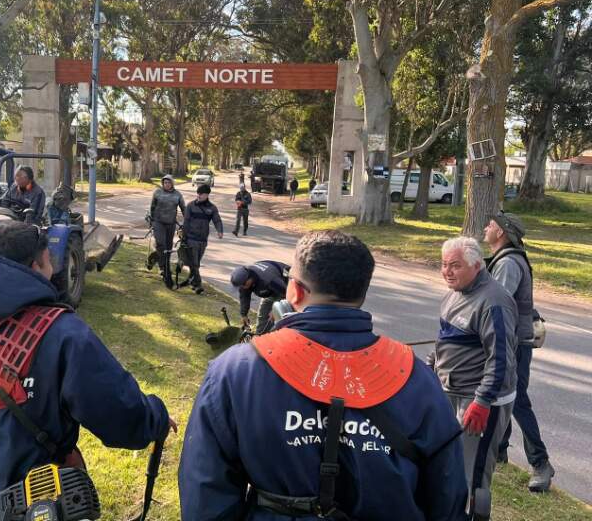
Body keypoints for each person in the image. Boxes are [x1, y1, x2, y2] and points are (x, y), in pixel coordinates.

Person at [180, 230, 468, 520]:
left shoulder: (235, 371)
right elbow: (448, 494)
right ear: (362, 293)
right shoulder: (417, 378)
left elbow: (205, 492)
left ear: (294, 291)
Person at [0, 221, 175, 521]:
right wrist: (155, 418)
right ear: (36, 265)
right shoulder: (65, 335)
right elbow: (121, 417)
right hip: (49, 506)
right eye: (49, 263)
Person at [433, 236, 518, 514]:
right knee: (449, 467)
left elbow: (502, 358)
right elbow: (444, 341)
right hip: (451, 393)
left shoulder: (494, 301)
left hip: (481, 401)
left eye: (455, 265)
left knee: (473, 473)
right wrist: (428, 368)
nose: (447, 271)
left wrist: (482, 401)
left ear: (477, 266)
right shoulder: (452, 294)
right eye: (444, 264)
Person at [483, 211, 554, 491]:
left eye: (490, 225)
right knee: (505, 394)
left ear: (501, 232)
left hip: (515, 342)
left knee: (517, 400)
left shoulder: (509, 263)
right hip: (512, 339)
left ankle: (541, 464)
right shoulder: (506, 260)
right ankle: (499, 451)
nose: (486, 227)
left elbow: (496, 304)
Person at [182, 184, 223, 294]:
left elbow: (217, 220)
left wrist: (220, 231)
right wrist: (184, 237)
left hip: (203, 240)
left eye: (202, 194)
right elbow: (186, 222)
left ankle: (191, 281)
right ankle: (198, 285)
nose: (199, 195)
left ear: (207, 195)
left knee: (196, 263)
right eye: (198, 193)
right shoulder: (190, 206)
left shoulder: (212, 208)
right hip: (191, 239)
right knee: (194, 263)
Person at [229, 260, 288, 334]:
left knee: (280, 319)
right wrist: (244, 314)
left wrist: (276, 309)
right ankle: (260, 339)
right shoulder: (244, 281)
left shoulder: (268, 279)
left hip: (286, 289)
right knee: (263, 319)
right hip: (271, 291)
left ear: (249, 278)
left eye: (243, 285)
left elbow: (288, 294)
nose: (242, 287)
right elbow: (244, 297)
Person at [150, 175, 186, 275]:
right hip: (158, 222)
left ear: (172, 184)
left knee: (168, 247)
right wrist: (151, 221)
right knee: (161, 244)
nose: (166, 184)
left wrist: (186, 222)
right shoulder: (157, 192)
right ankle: (162, 268)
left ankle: (164, 265)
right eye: (165, 182)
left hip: (170, 224)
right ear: (162, 183)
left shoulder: (177, 195)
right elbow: (152, 207)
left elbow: (184, 208)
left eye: (168, 182)